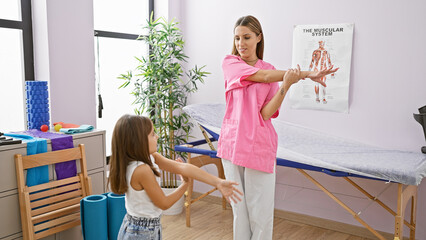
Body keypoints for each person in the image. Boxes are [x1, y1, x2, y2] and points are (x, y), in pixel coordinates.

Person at [216, 15, 338, 240]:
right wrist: (306, 74)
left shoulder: (271, 70)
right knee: (239, 212)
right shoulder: (231, 63)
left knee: (260, 215)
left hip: (259, 145)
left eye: (246, 37)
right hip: (232, 145)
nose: (241, 43)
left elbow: (265, 113)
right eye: (237, 38)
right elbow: (261, 77)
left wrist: (286, 85)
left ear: (258, 38)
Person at [108, 114, 243, 240]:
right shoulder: (141, 170)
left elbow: (183, 167)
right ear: (138, 141)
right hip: (142, 232)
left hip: (140, 226)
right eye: (153, 134)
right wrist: (185, 185)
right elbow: (164, 203)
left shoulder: (149, 158)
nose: (157, 137)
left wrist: (218, 182)